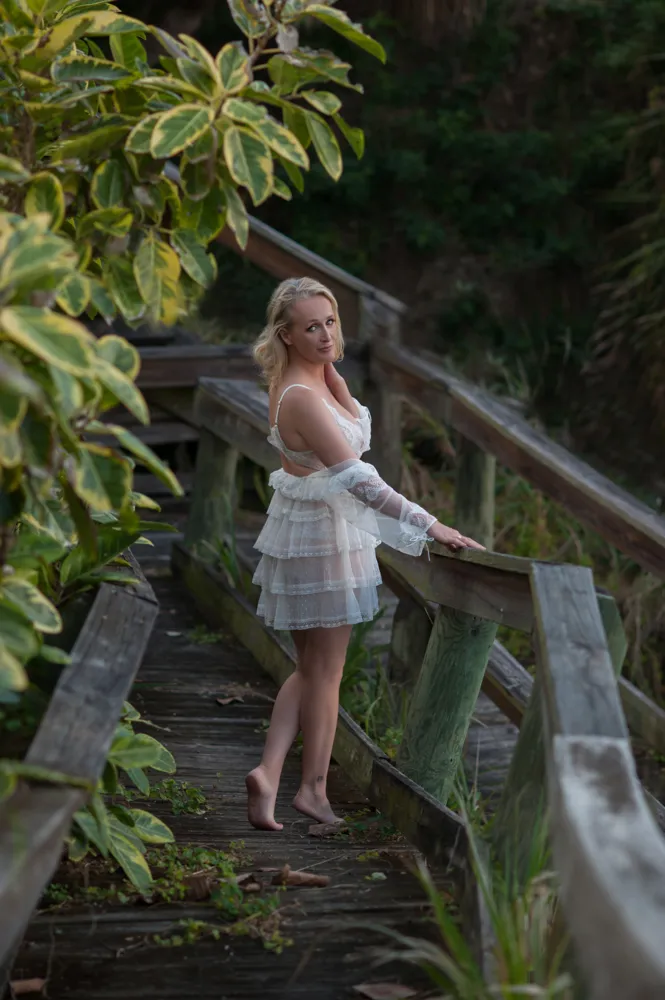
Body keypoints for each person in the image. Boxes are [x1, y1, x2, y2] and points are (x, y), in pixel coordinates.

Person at [245, 277, 484, 831]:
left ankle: (269, 772)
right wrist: (431, 524)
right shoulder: (301, 396)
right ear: (286, 333)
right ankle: (312, 790)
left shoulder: (312, 378)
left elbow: (354, 435)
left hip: (312, 529)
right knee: (325, 672)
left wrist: (335, 377)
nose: (326, 334)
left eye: (330, 321)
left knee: (310, 669)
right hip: (323, 537)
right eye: (311, 327)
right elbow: (359, 479)